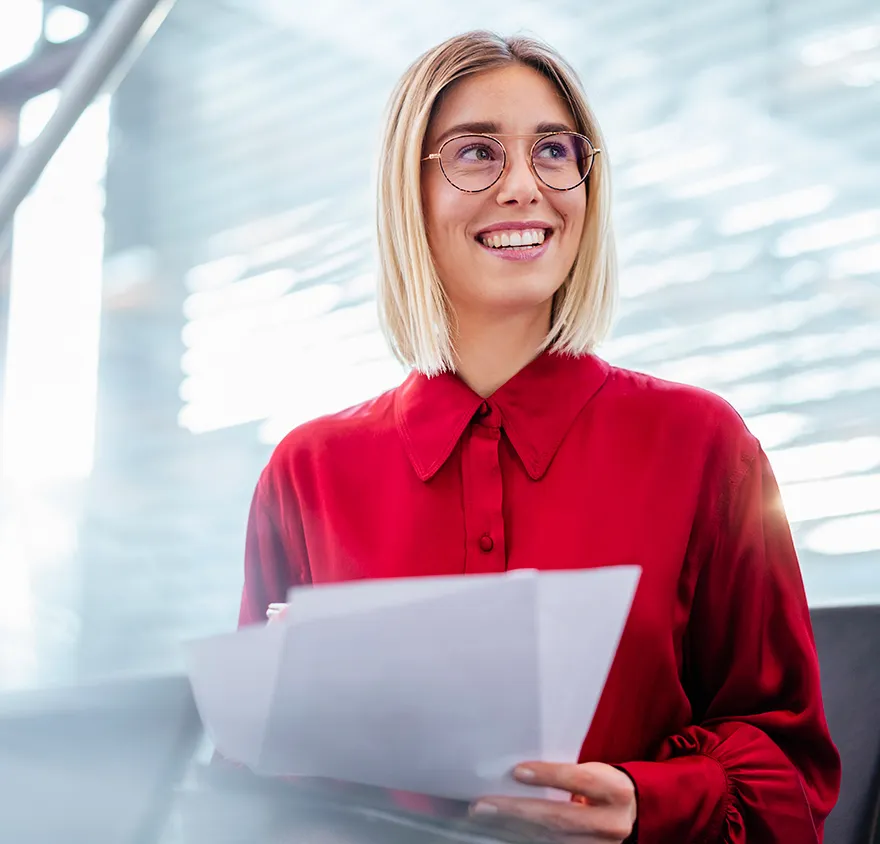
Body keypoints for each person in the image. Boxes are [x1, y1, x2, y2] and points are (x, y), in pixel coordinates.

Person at [239, 30, 841, 843]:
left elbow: (792, 774)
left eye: (553, 151)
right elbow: (248, 793)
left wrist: (645, 804)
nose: (526, 186)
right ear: (406, 192)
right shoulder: (307, 471)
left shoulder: (701, 443)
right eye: (476, 153)